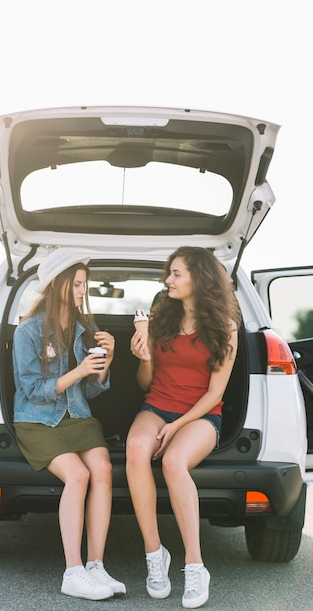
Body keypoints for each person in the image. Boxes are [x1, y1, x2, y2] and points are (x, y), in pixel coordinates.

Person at [126, 246, 240, 609]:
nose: (168, 280)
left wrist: (178, 428)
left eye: (177, 274)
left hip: (202, 414)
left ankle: (195, 565)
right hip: (158, 404)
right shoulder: (161, 317)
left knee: (174, 462)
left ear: (199, 278)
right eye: (169, 273)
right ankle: (155, 555)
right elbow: (146, 384)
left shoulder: (226, 328)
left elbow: (215, 392)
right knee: (135, 449)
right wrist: (144, 358)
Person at [12, 248, 126, 601]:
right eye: (77, 284)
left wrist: (107, 362)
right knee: (78, 476)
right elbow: (32, 391)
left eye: (83, 285)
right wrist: (76, 371)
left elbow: (89, 390)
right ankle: (73, 571)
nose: (82, 291)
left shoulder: (83, 329)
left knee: (103, 470)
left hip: (77, 416)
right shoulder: (27, 332)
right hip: (37, 421)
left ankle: (96, 566)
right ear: (58, 284)